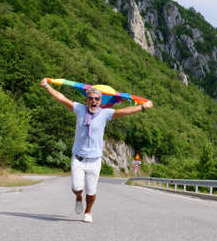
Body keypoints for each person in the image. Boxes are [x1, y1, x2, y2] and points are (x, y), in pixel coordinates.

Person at [40, 78, 153, 223]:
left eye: (97, 99)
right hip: (78, 158)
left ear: (100, 101)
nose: (94, 101)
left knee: (92, 191)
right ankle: (78, 197)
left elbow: (125, 111)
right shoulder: (79, 109)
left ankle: (88, 211)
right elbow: (62, 98)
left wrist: (143, 107)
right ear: (86, 100)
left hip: (95, 160)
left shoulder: (105, 114)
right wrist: (47, 86)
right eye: (90, 98)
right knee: (76, 187)